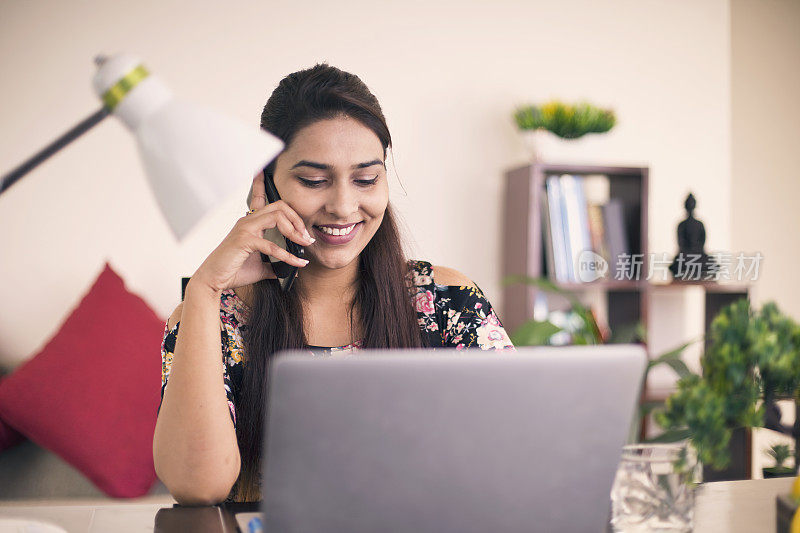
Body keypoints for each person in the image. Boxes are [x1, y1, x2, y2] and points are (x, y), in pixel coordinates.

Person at [153, 64, 514, 505]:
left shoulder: (447, 302)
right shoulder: (215, 318)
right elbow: (197, 487)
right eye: (313, 180)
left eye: (366, 179)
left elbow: (517, 453)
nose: (344, 206)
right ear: (265, 182)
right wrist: (205, 290)